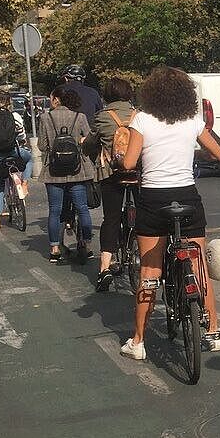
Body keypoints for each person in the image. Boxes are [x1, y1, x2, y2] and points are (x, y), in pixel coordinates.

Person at [120, 66, 220, 359]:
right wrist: (198, 152)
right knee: (199, 268)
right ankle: (214, 332)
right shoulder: (193, 121)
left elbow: (129, 164)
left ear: (151, 93)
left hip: (153, 201)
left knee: (149, 271)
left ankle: (138, 342)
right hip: (187, 197)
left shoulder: (141, 119)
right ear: (186, 95)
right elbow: (219, 154)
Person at [86, 77, 138, 291]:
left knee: (111, 220)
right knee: (144, 217)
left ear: (107, 95)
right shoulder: (139, 116)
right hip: (137, 173)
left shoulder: (102, 118)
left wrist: (90, 153)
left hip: (111, 174)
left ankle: (105, 268)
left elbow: (90, 144)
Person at [39, 86, 96, 262]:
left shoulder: (45, 117)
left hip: (54, 171)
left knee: (55, 210)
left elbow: (42, 145)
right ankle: (86, 244)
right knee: (82, 209)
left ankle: (55, 248)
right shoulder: (80, 117)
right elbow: (89, 140)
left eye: (51, 98)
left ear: (57, 99)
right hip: (77, 171)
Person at [0, 94, 32, 232]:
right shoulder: (15, 116)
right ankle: (25, 184)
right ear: (10, 103)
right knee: (29, 158)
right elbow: (21, 135)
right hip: (13, 152)